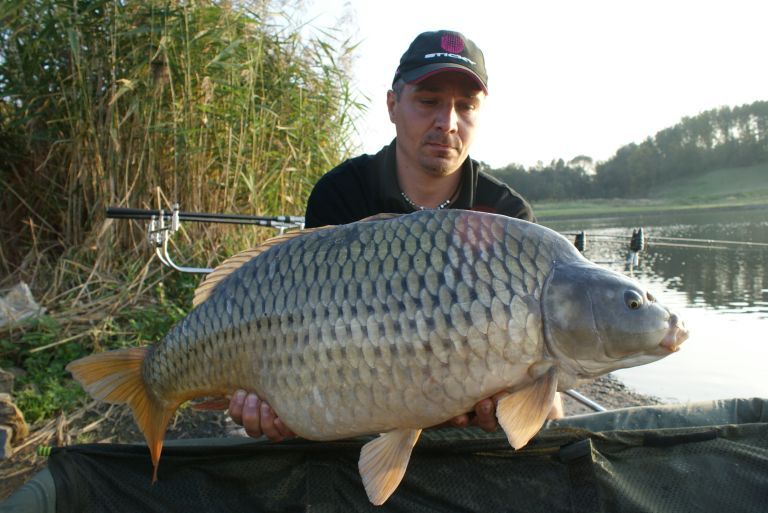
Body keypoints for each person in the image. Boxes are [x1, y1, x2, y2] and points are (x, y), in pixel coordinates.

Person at [229, 30, 563, 441]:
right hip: (355, 405)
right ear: (392, 105)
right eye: (429, 101)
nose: (448, 123)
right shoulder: (342, 192)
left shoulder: (508, 217)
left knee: (552, 407)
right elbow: (305, 323)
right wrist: (284, 405)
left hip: (466, 430)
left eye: (466, 106)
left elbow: (536, 386)